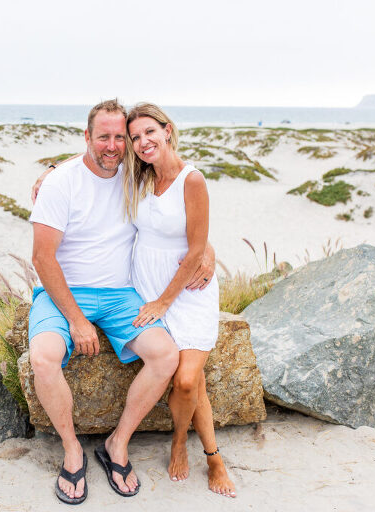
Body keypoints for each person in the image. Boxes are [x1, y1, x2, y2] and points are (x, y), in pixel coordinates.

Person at [28, 100, 216, 504]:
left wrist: (207, 249)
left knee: (165, 357)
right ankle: (73, 450)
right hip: (64, 291)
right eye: (105, 137)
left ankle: (117, 443)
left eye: (120, 137)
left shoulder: (134, 173)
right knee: (43, 357)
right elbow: (42, 258)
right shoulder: (61, 182)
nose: (113, 146)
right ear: (87, 137)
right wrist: (77, 321)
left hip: (119, 294)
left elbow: (175, 209)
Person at [123, 103, 236, 498]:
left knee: (187, 379)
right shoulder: (137, 176)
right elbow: (92, 153)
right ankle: (212, 455)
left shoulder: (193, 180)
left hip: (186, 291)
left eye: (149, 132)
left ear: (167, 130)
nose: (143, 142)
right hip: (144, 283)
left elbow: (195, 249)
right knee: (192, 382)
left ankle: (179, 439)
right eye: (134, 137)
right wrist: (50, 170)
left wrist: (164, 302)